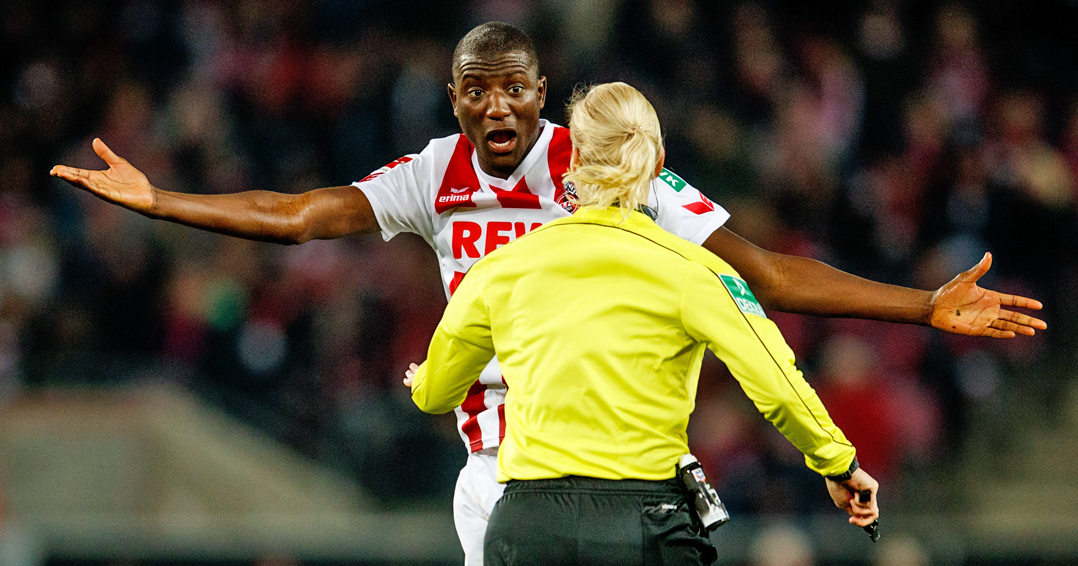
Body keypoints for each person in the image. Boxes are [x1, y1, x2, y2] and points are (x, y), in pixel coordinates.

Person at [50, 21, 1042, 565]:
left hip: (623, 476)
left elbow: (768, 273)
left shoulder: (605, 164)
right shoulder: (432, 174)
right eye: (474, 88)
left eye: (512, 88)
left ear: (540, 93)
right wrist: (160, 200)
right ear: (454, 98)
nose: (494, 106)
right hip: (504, 475)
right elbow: (302, 212)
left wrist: (920, 305)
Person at [407, 81, 879, 565]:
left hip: (529, 527)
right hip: (644, 523)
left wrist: (419, 379)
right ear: (657, 164)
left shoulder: (501, 268)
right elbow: (778, 385)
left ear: (572, 163)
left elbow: (438, 392)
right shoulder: (695, 271)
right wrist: (838, 463)